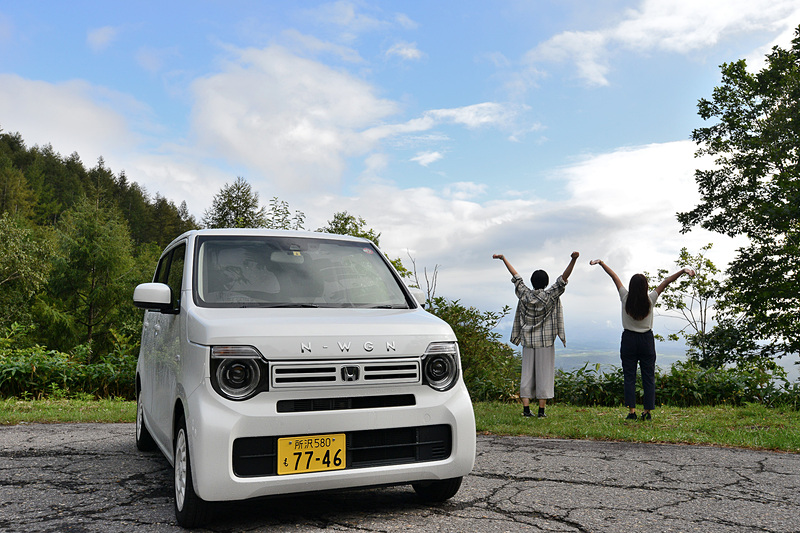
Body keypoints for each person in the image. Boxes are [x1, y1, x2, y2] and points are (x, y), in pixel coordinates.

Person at [590, 259, 695, 420]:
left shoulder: (625, 297)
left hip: (629, 339)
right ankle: (647, 411)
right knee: (648, 376)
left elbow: (614, 277)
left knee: (629, 376)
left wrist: (601, 263)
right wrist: (683, 271)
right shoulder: (650, 299)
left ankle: (632, 412)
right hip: (646, 340)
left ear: (631, 286)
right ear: (645, 287)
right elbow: (666, 282)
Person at [493, 251, 580, 418]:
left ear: (532, 282)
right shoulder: (549, 296)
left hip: (527, 340)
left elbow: (516, 276)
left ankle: (526, 410)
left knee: (526, 374)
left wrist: (504, 259)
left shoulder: (524, 294)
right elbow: (563, 278)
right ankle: (541, 411)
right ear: (546, 283)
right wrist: (573, 259)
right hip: (546, 341)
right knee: (544, 375)